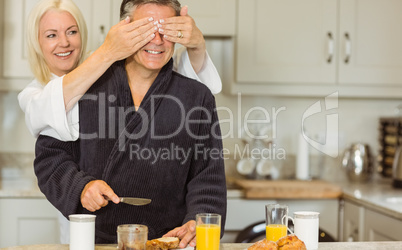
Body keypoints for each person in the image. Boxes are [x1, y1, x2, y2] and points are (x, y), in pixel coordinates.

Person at [34, 0, 227, 247]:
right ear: (124, 30)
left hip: (169, 243)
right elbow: (50, 158)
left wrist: (198, 222)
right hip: (98, 242)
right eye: (146, 29)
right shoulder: (84, 85)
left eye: (166, 30)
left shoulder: (196, 96)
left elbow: (207, 176)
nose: (157, 40)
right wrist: (81, 187)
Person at [18, 0, 222, 142]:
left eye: (72, 32)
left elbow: (179, 83)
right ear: (36, 42)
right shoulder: (34, 95)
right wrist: (107, 51)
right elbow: (45, 114)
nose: (64, 43)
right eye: (51, 35)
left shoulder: (112, 70)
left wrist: (197, 45)